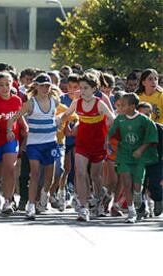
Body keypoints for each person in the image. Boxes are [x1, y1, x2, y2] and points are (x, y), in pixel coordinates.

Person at [61, 72, 115, 221]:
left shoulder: (99, 103)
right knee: (80, 172)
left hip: (98, 144)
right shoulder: (76, 102)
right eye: (81, 88)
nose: (82, 91)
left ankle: (99, 197)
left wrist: (107, 135)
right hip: (82, 143)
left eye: (85, 88)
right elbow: (66, 114)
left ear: (94, 89)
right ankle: (83, 208)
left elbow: (113, 119)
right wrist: (60, 120)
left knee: (95, 176)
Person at [8, 73, 59, 219]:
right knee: (35, 173)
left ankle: (44, 194)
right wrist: (9, 130)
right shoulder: (31, 103)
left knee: (50, 176)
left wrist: (60, 120)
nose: (45, 88)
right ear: (36, 86)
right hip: (34, 144)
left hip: (51, 143)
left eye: (47, 86)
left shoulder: (54, 101)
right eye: (42, 85)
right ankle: (30, 206)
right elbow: (13, 118)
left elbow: (61, 115)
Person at [107, 93, 158, 223]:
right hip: (124, 155)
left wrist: (141, 149)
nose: (120, 107)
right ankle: (131, 212)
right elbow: (111, 131)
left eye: (123, 105)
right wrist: (106, 141)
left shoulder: (144, 120)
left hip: (139, 157)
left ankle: (137, 197)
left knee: (137, 186)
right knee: (126, 182)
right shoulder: (120, 119)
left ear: (132, 107)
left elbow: (152, 137)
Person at [0, 71, 25, 214]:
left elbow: (18, 117)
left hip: (11, 138)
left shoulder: (16, 100)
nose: (5, 87)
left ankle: (8, 201)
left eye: (7, 84)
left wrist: (25, 127)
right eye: (1, 85)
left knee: (10, 168)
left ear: (12, 84)